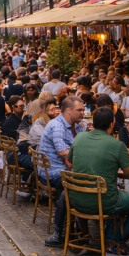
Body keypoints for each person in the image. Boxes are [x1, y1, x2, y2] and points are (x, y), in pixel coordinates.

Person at [68, 107, 129, 256]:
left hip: (76, 199)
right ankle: (113, 243)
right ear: (112, 123)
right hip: (104, 201)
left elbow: (70, 161)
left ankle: (111, 237)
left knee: (117, 195)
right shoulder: (117, 145)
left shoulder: (80, 137)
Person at [41, 97, 89, 247]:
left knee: (84, 183)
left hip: (69, 169)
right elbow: (64, 154)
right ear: (69, 110)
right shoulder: (57, 126)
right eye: (80, 110)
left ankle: (82, 229)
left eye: (83, 109)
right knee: (69, 189)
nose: (83, 112)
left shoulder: (78, 125)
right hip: (54, 172)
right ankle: (60, 232)